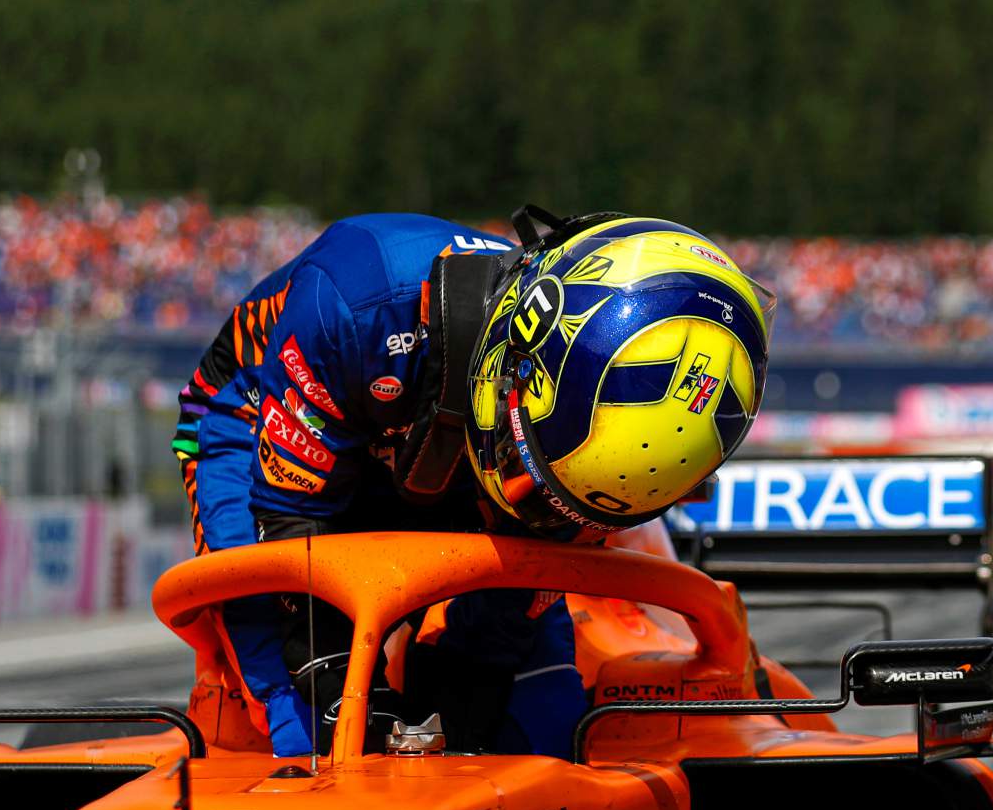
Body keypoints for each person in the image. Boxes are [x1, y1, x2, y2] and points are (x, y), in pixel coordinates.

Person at [174, 206, 773, 758]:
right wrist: (335, 680)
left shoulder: (588, 465)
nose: (531, 508)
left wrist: (469, 681)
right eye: (528, 476)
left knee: (539, 720)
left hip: (440, 443)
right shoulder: (356, 303)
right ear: (513, 367)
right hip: (257, 425)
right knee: (304, 726)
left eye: (560, 502)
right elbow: (290, 513)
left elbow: (522, 582)